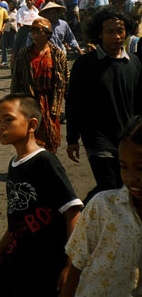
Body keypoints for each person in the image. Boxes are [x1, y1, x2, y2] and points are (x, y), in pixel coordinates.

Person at [0, 94, 82, 296]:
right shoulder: (14, 164)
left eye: (8, 119)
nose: (0, 126)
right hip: (13, 262)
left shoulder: (46, 162)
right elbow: (17, 219)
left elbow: (72, 211)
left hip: (44, 267)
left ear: (32, 124)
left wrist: (71, 267)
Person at [66, 6, 142, 203]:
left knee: (125, 190)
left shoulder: (134, 63)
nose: (117, 36)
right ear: (99, 34)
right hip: (98, 140)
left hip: (127, 139)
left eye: (120, 31)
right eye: (110, 31)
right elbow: (74, 102)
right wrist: (72, 138)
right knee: (111, 188)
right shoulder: (85, 64)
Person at [61, 120, 142, 297]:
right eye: (123, 166)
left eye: (140, 168)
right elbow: (77, 262)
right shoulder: (103, 205)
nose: (130, 177)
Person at [10, 17, 69, 153]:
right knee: (29, 135)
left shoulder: (58, 55)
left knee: (51, 137)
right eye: (33, 32)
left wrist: (66, 103)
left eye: (39, 32)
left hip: (51, 101)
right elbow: (16, 80)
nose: (35, 35)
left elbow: (65, 81)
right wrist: (14, 102)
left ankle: (47, 163)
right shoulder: (24, 54)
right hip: (30, 100)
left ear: (47, 34)